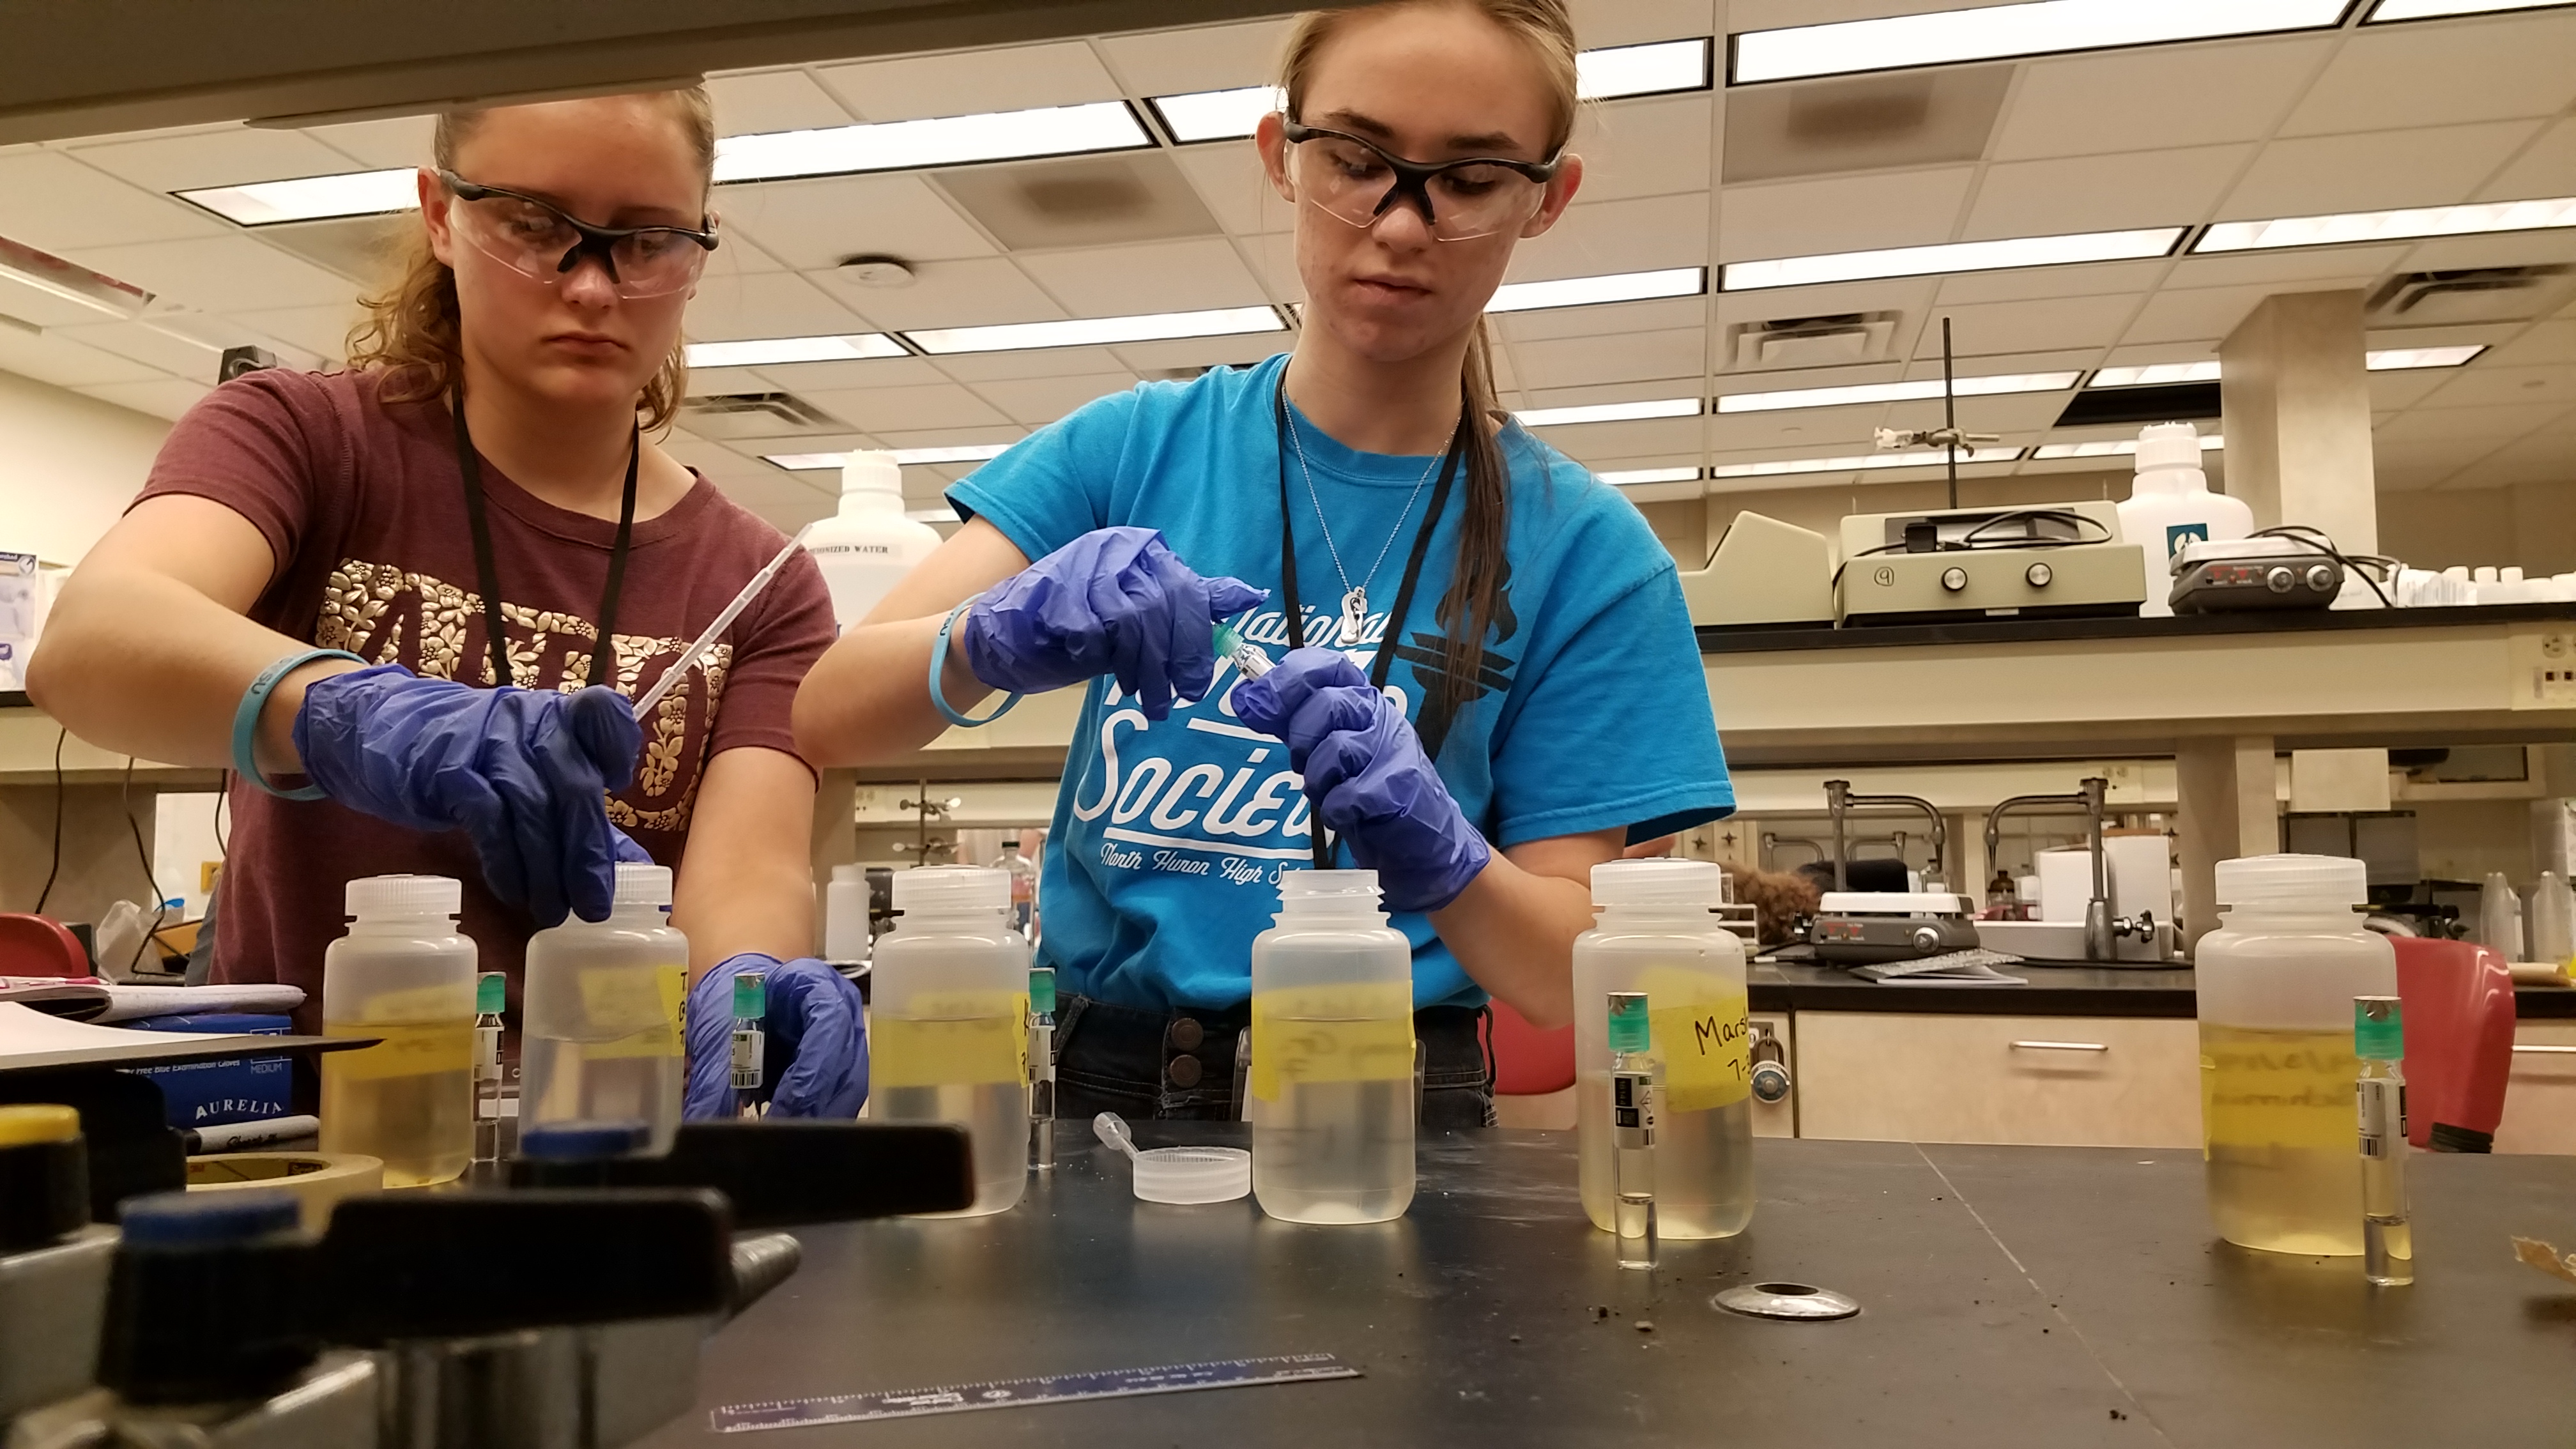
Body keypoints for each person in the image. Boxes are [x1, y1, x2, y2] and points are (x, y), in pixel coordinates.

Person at [790, 0, 1732, 1126]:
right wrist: (988, 636)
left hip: (1394, 1115)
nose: (1399, 224)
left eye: (1471, 178)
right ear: (1282, 157)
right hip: (1098, 1094)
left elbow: (1573, 987)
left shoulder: (1587, 553)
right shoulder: (1129, 447)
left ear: (1546, 198)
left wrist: (1448, 860)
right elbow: (828, 715)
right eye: (1356, 158)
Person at [27, 89, 864, 1119]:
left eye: (646, 241)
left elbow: (747, 871)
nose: (594, 285)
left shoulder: (759, 583)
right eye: (535, 226)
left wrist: (750, 989)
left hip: (602, 1137)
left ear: (698, 249)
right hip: (299, 1135)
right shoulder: (307, 441)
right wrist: (353, 711)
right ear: (440, 213)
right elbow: (91, 642)